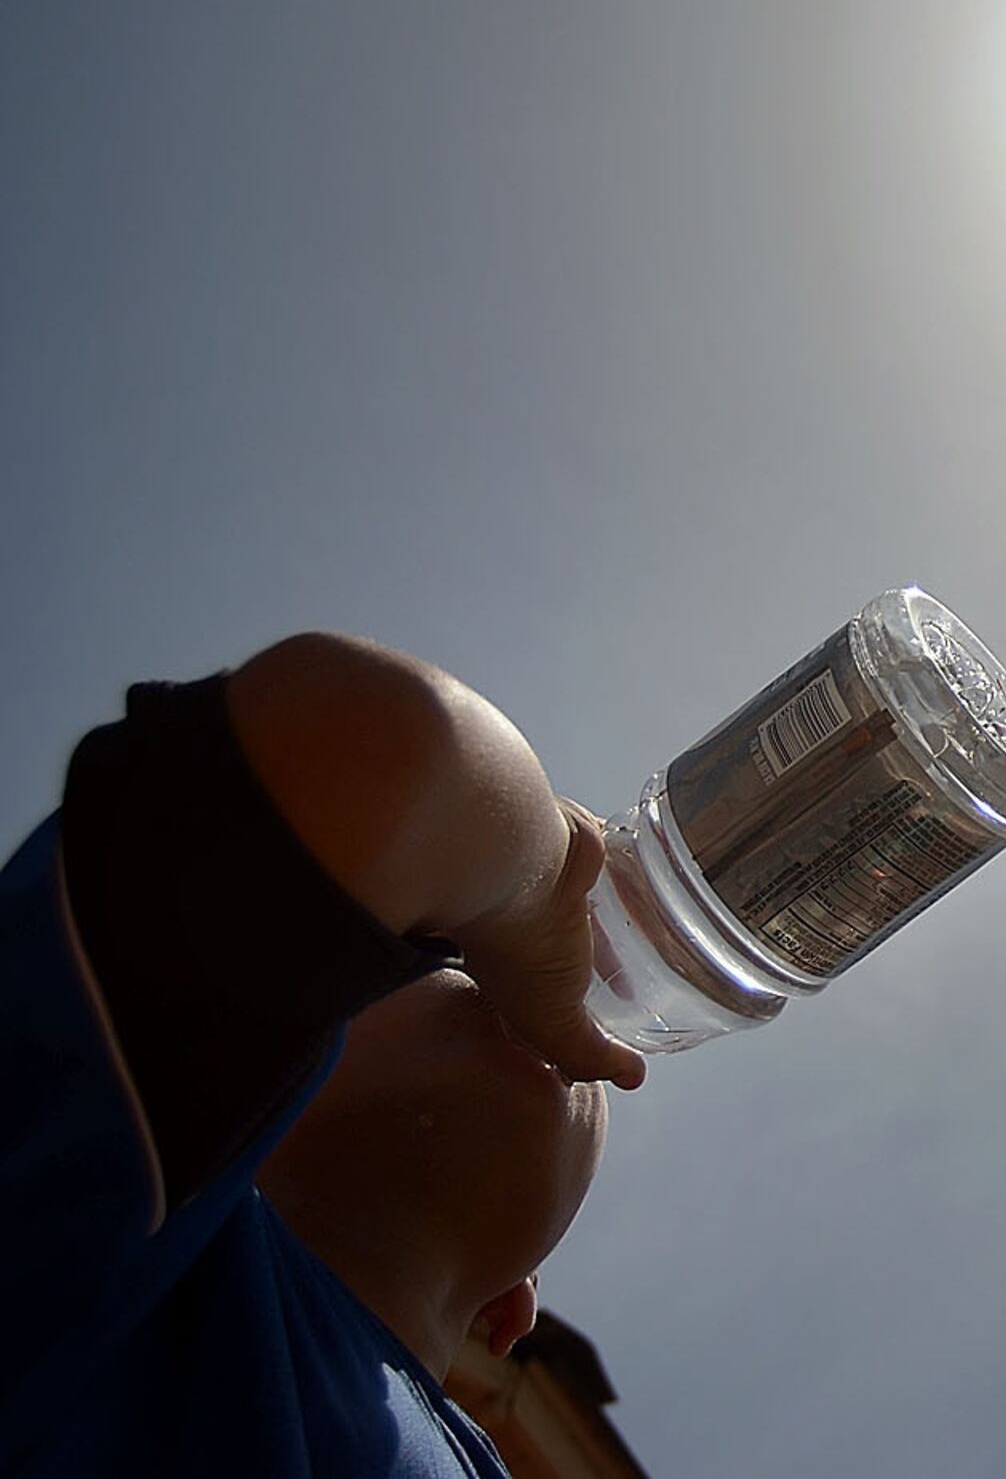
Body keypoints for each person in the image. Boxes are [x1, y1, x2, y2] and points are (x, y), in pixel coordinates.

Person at [0, 632, 650, 1476]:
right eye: (438, 958)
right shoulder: (136, 1229)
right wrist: (542, 873)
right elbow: (381, 744)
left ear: (509, 1306)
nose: (492, 979)